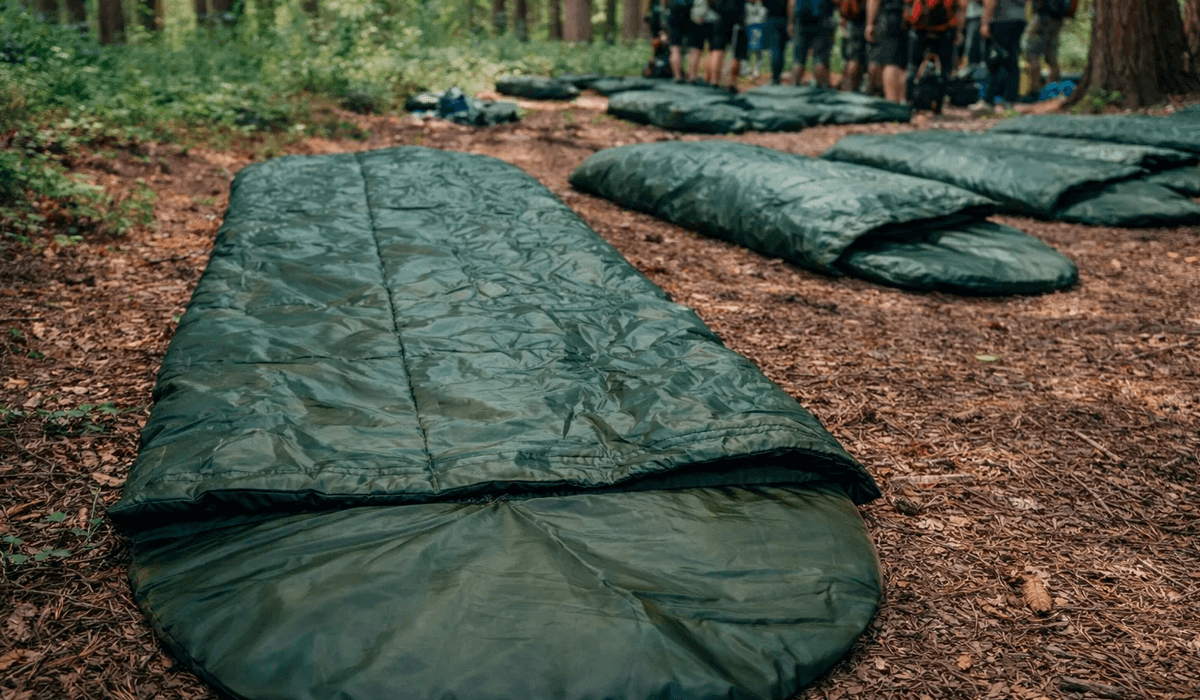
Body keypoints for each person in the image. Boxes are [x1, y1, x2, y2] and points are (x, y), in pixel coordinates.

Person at [905, 0, 960, 112]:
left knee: (913, 68)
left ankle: (911, 103)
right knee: (942, 71)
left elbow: (909, 7)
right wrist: (958, 31)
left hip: (920, 30)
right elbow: (960, 8)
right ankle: (937, 105)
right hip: (943, 31)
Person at [981, 0, 1026, 109]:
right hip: (1019, 19)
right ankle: (1010, 99)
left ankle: (989, 100)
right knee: (1012, 61)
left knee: (993, 61)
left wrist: (985, 22)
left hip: (1001, 20)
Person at [1024, 0, 1072, 99]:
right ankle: (1050, 89)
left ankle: (1035, 90)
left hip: (1042, 16)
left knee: (1031, 53)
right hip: (1058, 17)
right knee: (1051, 56)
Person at [865, 0, 908, 102]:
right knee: (902, 65)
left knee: (890, 63)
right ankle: (901, 102)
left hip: (889, 17)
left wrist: (870, 23)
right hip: (909, 18)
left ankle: (892, 103)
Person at [789, 0, 836, 87]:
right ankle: (822, 90)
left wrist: (791, 23)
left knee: (798, 59)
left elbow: (792, 3)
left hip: (801, 21)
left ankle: (794, 89)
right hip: (822, 19)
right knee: (820, 59)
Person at [665, 0, 706, 82]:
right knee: (695, 47)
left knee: (675, 46)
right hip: (692, 11)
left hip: (674, 11)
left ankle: (678, 77)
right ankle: (692, 76)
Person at [839, 0, 868, 92]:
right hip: (861, 17)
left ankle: (849, 89)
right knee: (855, 58)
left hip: (856, 17)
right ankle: (848, 89)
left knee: (854, 57)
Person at [762, 0, 790, 83]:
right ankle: (779, 73)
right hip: (785, 18)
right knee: (782, 49)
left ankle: (775, 76)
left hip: (772, 17)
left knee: (775, 49)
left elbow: (764, 3)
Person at [958, 0, 984, 69]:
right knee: (964, 43)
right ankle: (963, 66)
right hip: (964, 17)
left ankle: (966, 65)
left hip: (976, 16)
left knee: (970, 43)